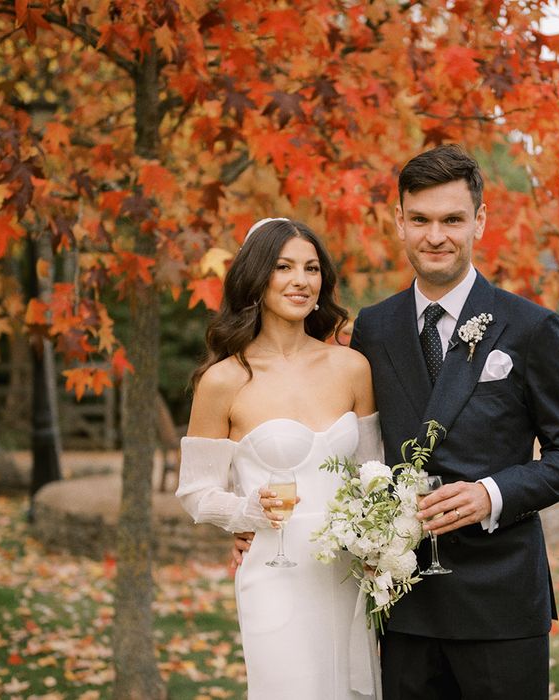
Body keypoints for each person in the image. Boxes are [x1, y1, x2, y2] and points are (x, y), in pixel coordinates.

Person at [348, 144, 559, 699]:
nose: (435, 236)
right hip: (405, 598)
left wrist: (491, 494)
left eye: (452, 220)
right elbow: (353, 446)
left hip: (500, 601)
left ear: (479, 221)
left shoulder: (531, 328)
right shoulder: (373, 328)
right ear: (400, 221)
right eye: (421, 220)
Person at [176, 218, 383, 699]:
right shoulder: (224, 380)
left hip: (347, 571)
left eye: (311, 268)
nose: (301, 280)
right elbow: (195, 491)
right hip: (275, 570)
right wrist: (244, 514)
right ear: (257, 277)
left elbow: (375, 474)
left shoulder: (353, 367)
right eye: (284, 266)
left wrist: (381, 542)